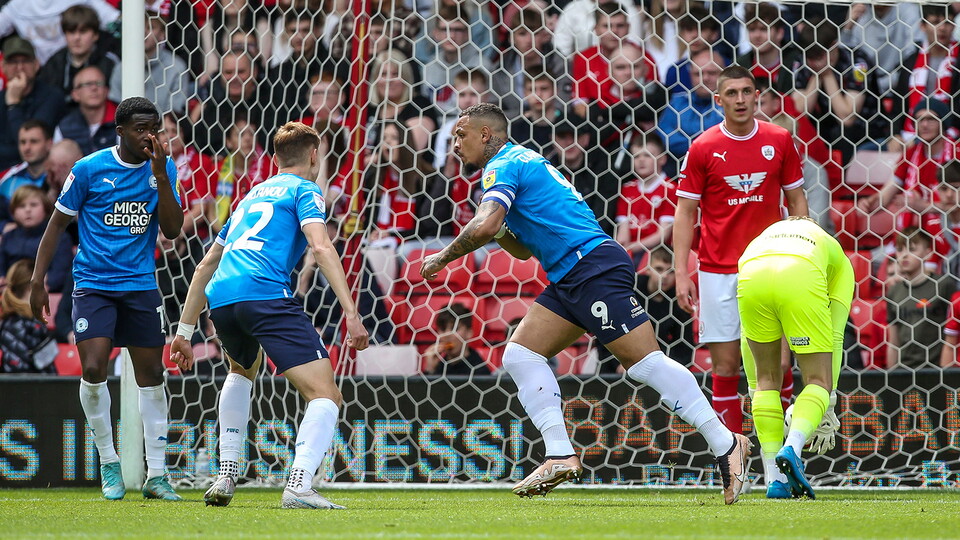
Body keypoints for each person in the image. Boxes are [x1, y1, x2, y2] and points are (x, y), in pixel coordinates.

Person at [421, 103, 751, 504]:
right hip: (569, 274)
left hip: (590, 265)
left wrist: (443, 257)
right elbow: (520, 249)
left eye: (461, 135)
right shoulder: (521, 161)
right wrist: (500, 230)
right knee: (520, 355)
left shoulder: (503, 165)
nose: (455, 144)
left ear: (485, 135)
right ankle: (560, 454)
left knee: (644, 363)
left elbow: (486, 224)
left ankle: (726, 442)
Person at [168, 121, 369, 509]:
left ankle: (226, 473)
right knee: (325, 394)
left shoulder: (248, 198)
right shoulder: (305, 190)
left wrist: (184, 331)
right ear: (315, 155)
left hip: (222, 299)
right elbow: (321, 247)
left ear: (275, 159)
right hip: (264, 293)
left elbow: (206, 263)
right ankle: (299, 485)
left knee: (241, 370)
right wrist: (351, 312)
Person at [30, 97, 184, 501]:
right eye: (140, 129)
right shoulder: (88, 169)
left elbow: (172, 230)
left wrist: (160, 177)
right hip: (94, 284)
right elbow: (56, 224)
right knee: (95, 367)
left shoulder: (163, 168)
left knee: (152, 374)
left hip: (140, 285)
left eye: (154, 129)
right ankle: (109, 461)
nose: (149, 137)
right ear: (120, 132)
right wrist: (37, 280)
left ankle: (157, 474)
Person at [672, 65, 809, 435]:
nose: (740, 100)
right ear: (719, 100)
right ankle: (732, 453)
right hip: (717, 271)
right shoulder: (702, 148)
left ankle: (779, 452)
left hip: (771, 267)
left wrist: (801, 254)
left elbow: (797, 200)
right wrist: (682, 271)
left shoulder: (779, 139)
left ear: (757, 96)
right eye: (731, 93)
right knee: (726, 367)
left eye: (747, 92)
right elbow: (685, 212)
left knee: (779, 365)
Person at [738, 216, 853, 499]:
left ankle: (774, 480)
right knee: (817, 379)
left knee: (766, 381)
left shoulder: (764, 237)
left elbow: (744, 338)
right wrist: (829, 400)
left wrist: (753, 387)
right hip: (800, 273)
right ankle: (794, 446)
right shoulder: (835, 254)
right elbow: (836, 336)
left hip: (750, 270)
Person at [885, 227, 955, 369]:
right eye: (900, 250)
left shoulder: (943, 286)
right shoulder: (894, 291)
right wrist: (891, 376)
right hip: (904, 370)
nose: (904, 255)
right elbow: (893, 342)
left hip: (936, 370)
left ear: (928, 253)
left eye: (912, 249)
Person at [0, 38, 66, 170]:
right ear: (3, 67)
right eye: (13, 62)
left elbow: (30, 145)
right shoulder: (0, 97)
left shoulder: (51, 96)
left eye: (25, 61)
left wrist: (13, 105)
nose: (20, 67)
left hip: (38, 171)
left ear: (36, 65)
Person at [0, 185, 72, 293]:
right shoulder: (8, 237)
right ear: (13, 212)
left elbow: (60, 274)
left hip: (46, 293)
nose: (28, 210)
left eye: (33, 205)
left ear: (46, 209)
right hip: (10, 292)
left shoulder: (60, 238)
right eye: (21, 206)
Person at [0, 259, 59, 374]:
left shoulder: (32, 321)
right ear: (31, 287)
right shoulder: (16, 324)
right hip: (30, 385)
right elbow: (18, 372)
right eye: (44, 284)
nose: (48, 289)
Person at [0, 120, 53, 222]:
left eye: (34, 141)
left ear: (49, 144)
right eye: (23, 142)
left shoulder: (59, 177)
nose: (27, 148)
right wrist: (4, 226)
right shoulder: (8, 178)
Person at [421, 302, 491, 376]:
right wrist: (429, 369)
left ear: (469, 333)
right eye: (443, 329)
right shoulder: (437, 367)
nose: (447, 334)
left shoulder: (480, 371)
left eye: (454, 328)